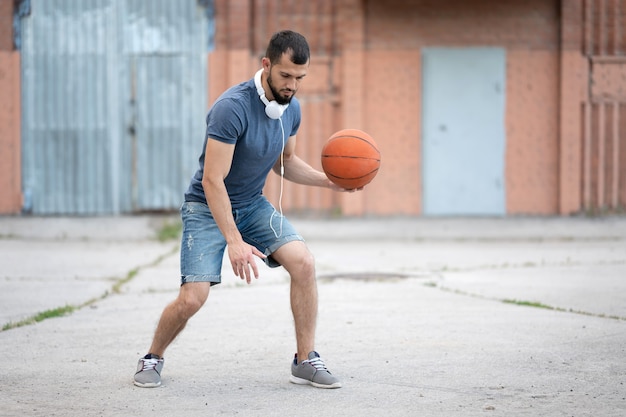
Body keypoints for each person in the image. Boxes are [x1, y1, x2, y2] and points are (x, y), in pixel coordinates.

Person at [133, 30, 353, 389]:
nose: (292, 85)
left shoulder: (289, 109)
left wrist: (330, 182)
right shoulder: (231, 108)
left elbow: (286, 163)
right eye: (285, 76)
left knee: (304, 263)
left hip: (251, 204)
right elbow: (212, 181)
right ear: (266, 65)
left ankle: (305, 359)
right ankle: (152, 356)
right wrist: (234, 241)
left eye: (300, 78)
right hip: (206, 207)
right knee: (193, 297)